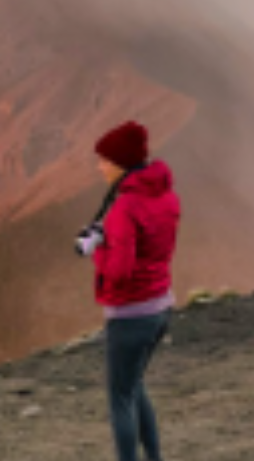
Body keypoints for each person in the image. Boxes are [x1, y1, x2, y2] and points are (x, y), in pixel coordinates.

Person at [75, 120, 181, 461]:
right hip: (160, 307)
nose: (99, 166)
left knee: (120, 398)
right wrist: (109, 239)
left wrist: (98, 248)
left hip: (131, 315)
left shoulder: (123, 208)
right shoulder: (165, 195)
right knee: (134, 386)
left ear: (120, 163)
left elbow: (119, 273)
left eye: (104, 160)